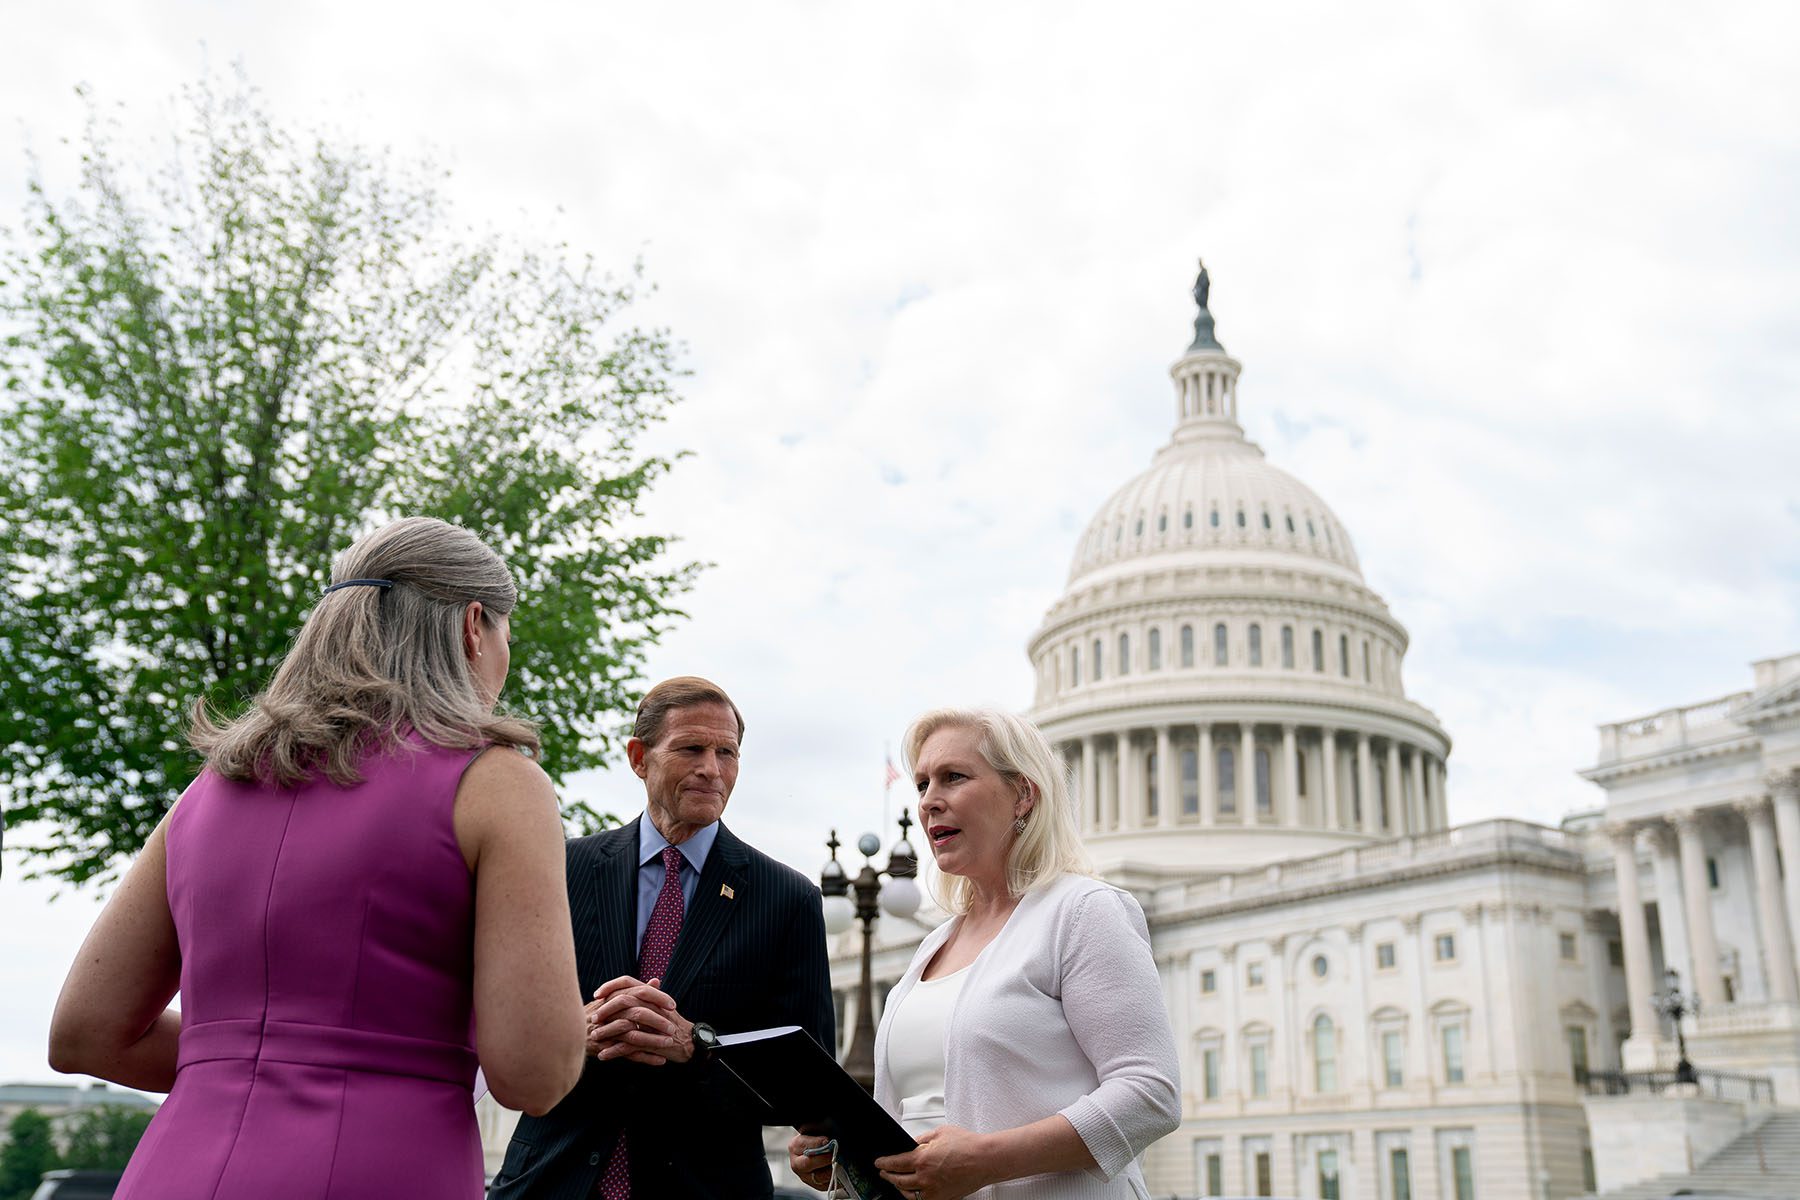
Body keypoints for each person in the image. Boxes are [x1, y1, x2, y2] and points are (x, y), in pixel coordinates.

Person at [47, 516, 586, 1199]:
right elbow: (533, 1073)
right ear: (474, 626)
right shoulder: (497, 784)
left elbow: (86, 1036)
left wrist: (248, 1056)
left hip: (172, 1171)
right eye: (508, 634)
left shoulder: (211, 788)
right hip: (380, 1170)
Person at [789, 707, 1180, 1200]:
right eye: (923, 784)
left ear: (1023, 794)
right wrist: (843, 1153)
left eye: (954, 778)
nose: (930, 801)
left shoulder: (1083, 911)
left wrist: (985, 1161)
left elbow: (1150, 1093)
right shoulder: (932, 944)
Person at [491, 676, 835, 1200]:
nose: (711, 769)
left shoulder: (787, 900)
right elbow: (498, 1022)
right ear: (638, 757)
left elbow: (807, 1088)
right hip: (550, 1182)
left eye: (727, 753)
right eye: (691, 748)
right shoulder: (561, 868)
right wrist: (571, 1030)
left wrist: (694, 1046)